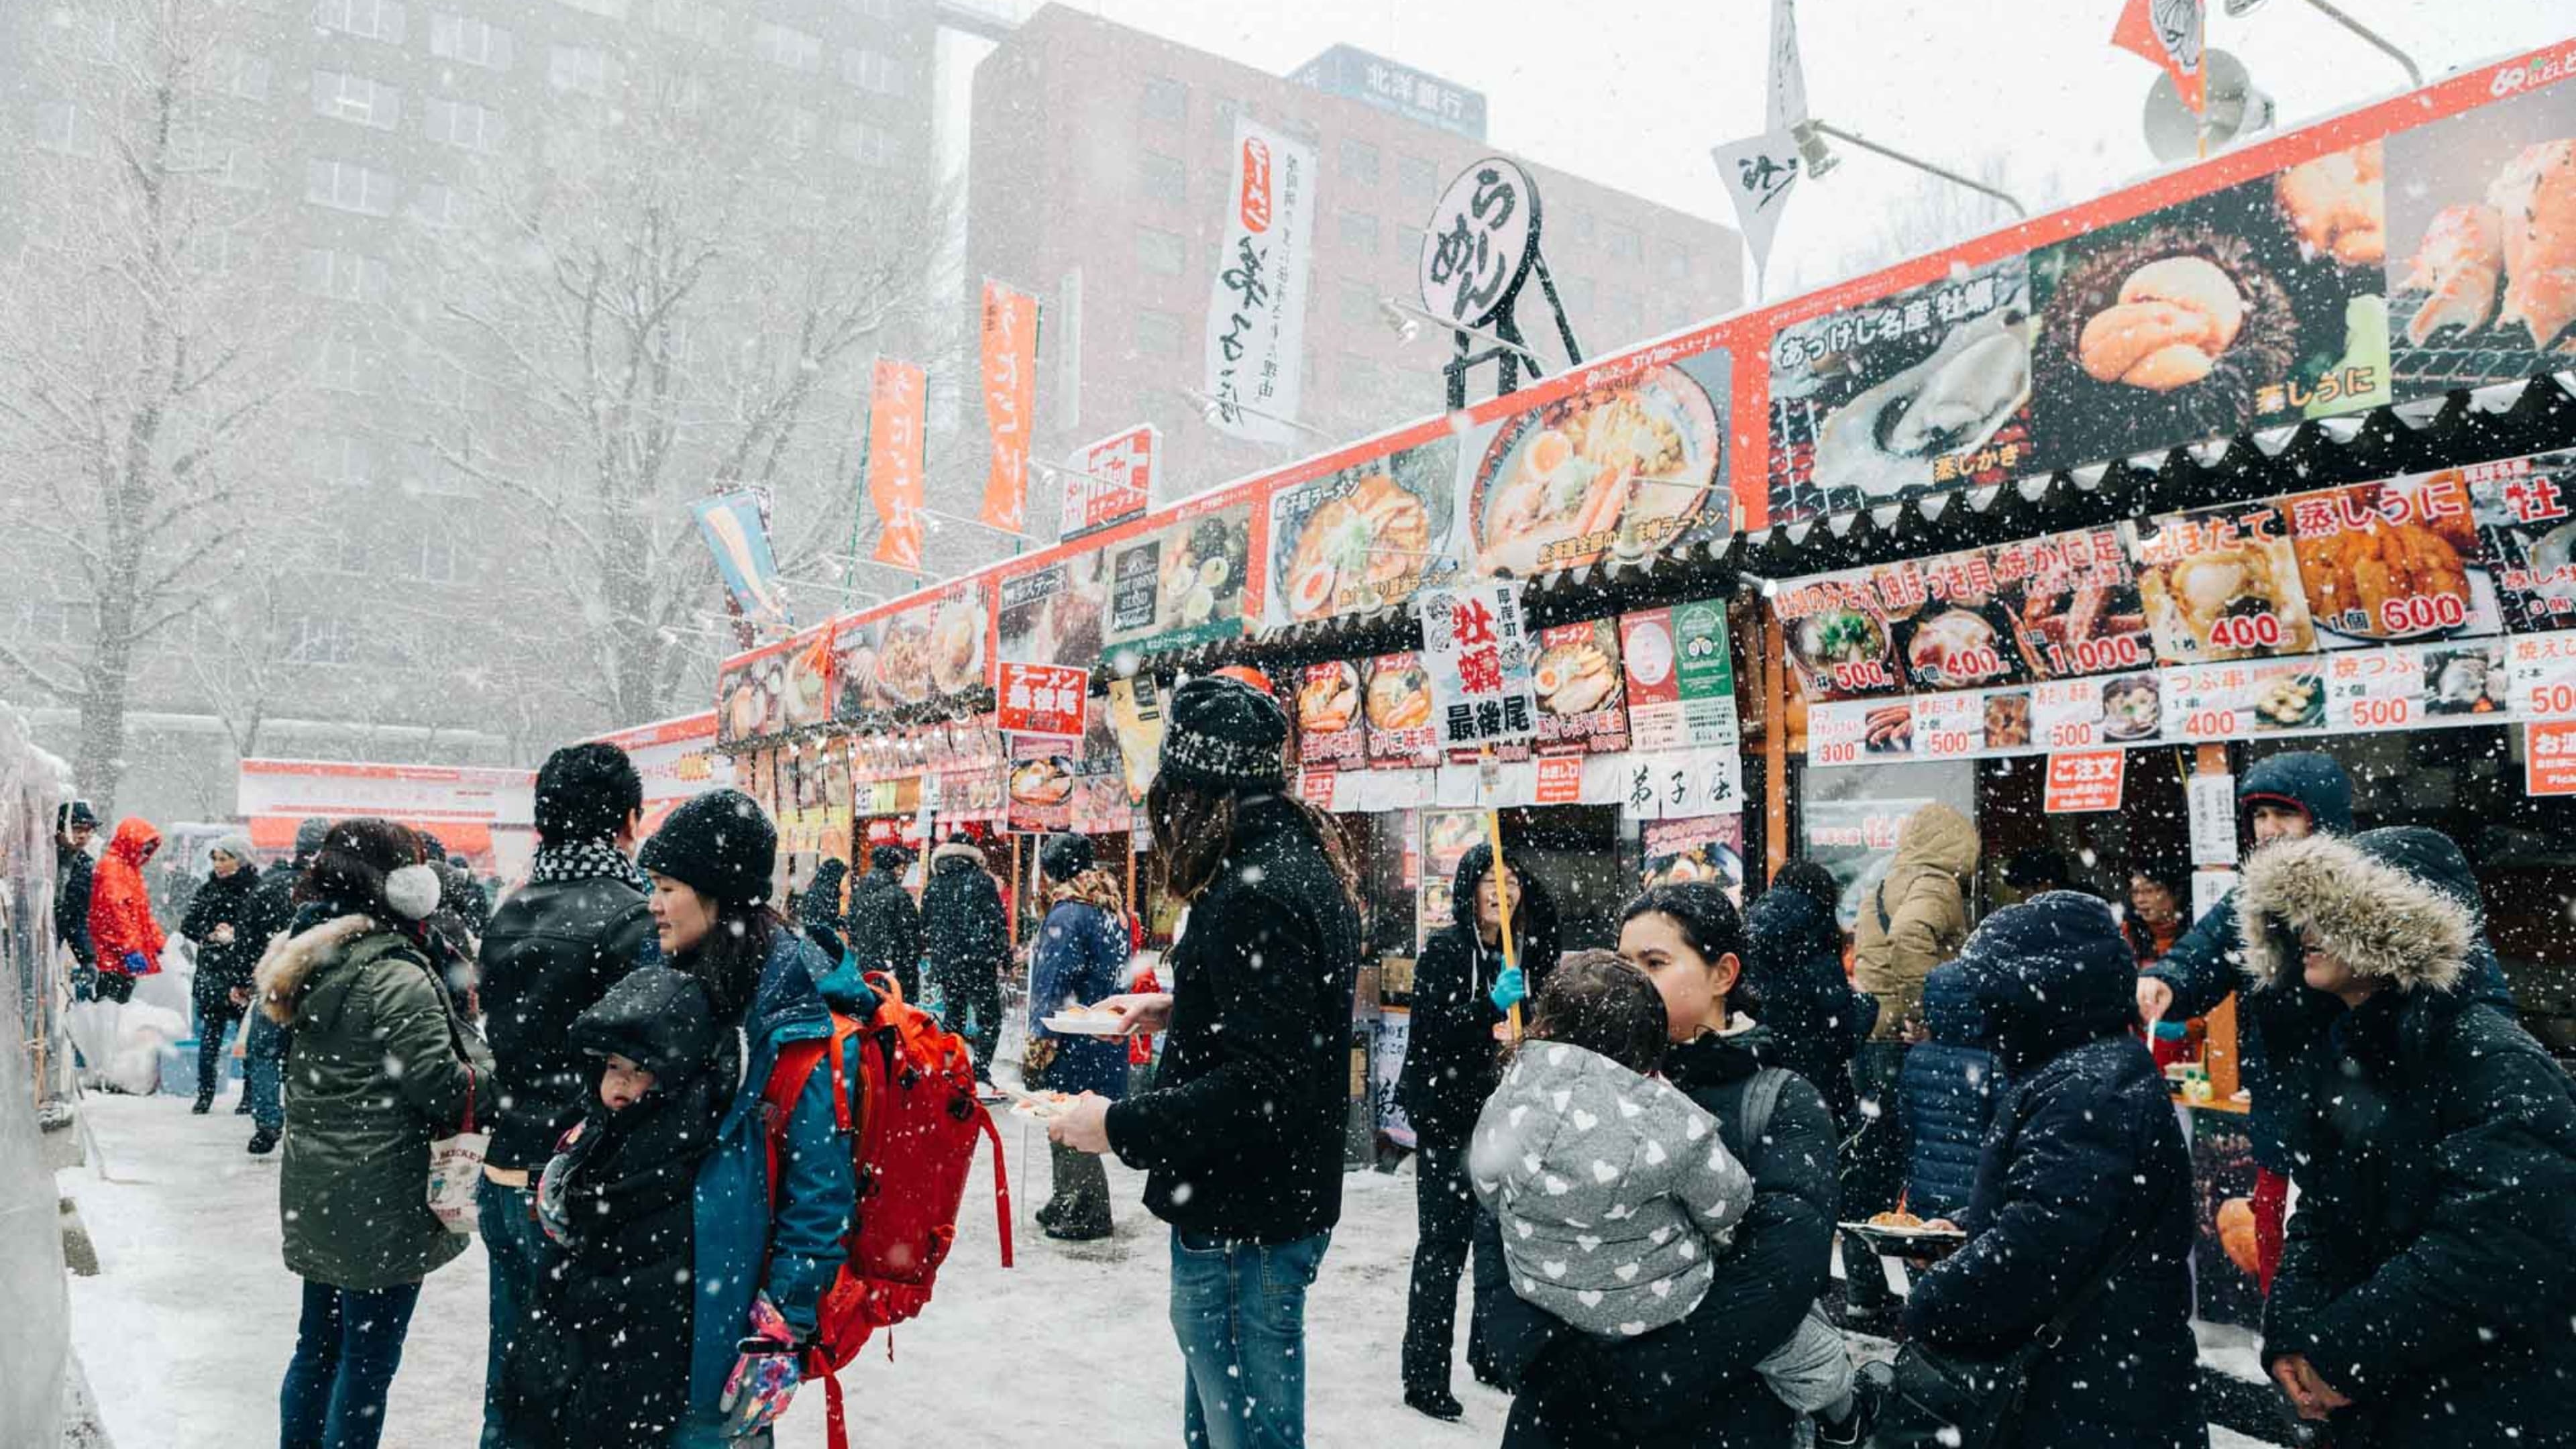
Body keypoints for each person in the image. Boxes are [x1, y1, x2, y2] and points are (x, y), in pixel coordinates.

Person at [1047, 676, 1363, 1449]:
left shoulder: (1256, 890)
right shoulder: (1288, 862)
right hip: (1267, 1207)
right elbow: (1284, 1028)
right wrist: (1174, 1008)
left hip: (1243, 1222)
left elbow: (1264, 1087)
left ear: (1192, 791)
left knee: (1247, 1436)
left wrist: (1117, 1125)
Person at [2237, 828, 2576, 1447]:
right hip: (2384, 1407)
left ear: (2393, 928)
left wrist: (2342, 1351)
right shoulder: (2353, 1050)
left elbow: (2496, 1248)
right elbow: (2322, 1209)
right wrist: (2292, 1330)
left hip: (2484, 1407)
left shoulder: (2489, 1057)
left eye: (2331, 912)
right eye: (2303, 914)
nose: (2307, 931)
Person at [1475, 881, 1843, 1449]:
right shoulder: (1555, 1087)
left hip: (1715, 1416)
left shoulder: (1778, 1100)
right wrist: (1534, 1353)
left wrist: (1648, 1377)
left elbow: (1781, 1268)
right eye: (1621, 961)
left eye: (1654, 962)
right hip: (1561, 1413)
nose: (1630, 981)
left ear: (1724, 974)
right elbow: (1498, 1214)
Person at [1897, 892, 2202, 1449]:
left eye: (1993, 995)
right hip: (2108, 1382)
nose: (1986, 1014)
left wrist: (1931, 1303)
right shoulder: (2089, 1072)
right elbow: (2066, 1210)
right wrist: (1969, 1228)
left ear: (2038, 996)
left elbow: (2038, 1246)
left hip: (2094, 1395)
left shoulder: (2085, 1089)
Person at [255, 819, 490, 1449]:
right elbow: (442, 1084)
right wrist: (493, 1075)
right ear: (406, 887)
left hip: (319, 1187)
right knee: (366, 1362)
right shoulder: (397, 973)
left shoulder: (305, 956)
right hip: (383, 1197)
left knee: (318, 1347)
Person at [635, 789, 858, 1448]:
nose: (652, 903)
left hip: (724, 1326)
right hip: (655, 1302)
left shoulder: (789, 1015)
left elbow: (821, 1194)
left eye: (667, 886)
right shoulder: (675, 975)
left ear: (718, 893)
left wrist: (778, 1329)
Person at [475, 742, 655, 1449]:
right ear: (628, 821)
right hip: (579, 1183)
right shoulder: (634, 917)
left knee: (513, 1376)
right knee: (585, 1393)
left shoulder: (512, 908)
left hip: (506, 1171)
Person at [2137, 751, 2361, 1291]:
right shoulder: (2252, 896)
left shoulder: (2365, 887)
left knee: (2347, 1283)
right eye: (2259, 817)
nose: (2270, 830)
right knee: (2283, 1282)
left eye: (2284, 815)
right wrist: (2165, 981)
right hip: (2282, 1129)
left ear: (2320, 817)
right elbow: (2205, 952)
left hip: (2359, 1127)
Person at [500, 965, 727, 1449]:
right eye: (613, 1067)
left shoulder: (664, 1151)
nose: (621, 1083)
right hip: (584, 1350)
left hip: (625, 1362)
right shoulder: (598, 1136)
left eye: (639, 1071)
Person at [1393, 839, 1561, 1420]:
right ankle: (1424, 1377)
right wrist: (1489, 1006)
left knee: (1499, 1246)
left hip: (1501, 1121)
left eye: (1512, 881)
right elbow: (1433, 1034)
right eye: (1490, 880)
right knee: (1443, 1248)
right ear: (1468, 890)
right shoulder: (1444, 951)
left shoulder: (1521, 954)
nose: (1502, 890)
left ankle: (1488, 1355)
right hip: (1446, 1118)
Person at [1843, 800, 1976, 1323]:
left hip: (1874, 1039)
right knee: (1926, 1166)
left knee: (1870, 1168)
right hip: (1904, 1045)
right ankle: (1934, 1293)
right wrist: (1934, 1011)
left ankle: (1864, 1287)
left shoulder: (1886, 881)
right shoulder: (1935, 883)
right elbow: (1910, 936)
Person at [1022, 833, 1130, 1243]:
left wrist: (1040, 1041)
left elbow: (1052, 985)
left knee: (1067, 1120)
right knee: (1075, 1118)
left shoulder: (1067, 914)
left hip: (1070, 1036)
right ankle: (1066, 1198)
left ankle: (1086, 1209)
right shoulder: (1110, 909)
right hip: (1101, 1034)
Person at [1739, 860, 1875, 1141]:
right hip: (1814, 1087)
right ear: (1825, 898)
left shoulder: (1749, 933)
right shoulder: (1817, 944)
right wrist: (1865, 1003)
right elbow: (1843, 1038)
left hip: (1758, 1087)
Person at [178, 835, 281, 1114]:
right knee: (210, 1035)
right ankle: (205, 1094)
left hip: (245, 970)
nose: (219, 865)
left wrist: (238, 936)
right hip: (212, 970)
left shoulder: (256, 890)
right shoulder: (208, 889)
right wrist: (210, 934)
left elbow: (264, 931)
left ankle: (249, 1096)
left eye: (225, 859)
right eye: (215, 859)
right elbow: (188, 924)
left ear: (241, 859)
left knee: (247, 1037)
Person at [242, 818, 327, 1152]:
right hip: (318, 986)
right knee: (307, 1054)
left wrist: (242, 978)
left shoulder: (270, 885)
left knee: (264, 1052)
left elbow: (247, 936)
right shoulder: (334, 892)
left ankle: (267, 1119)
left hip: (276, 982)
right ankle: (301, 1119)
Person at [1894, 959, 1994, 1222]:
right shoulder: (1992, 1062)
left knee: (1923, 1254)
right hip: (1973, 1192)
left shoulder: (1917, 1056)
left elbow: (1907, 1124)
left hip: (1924, 1185)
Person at [922, 835, 1008, 1081]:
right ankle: (980, 1071)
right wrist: (1003, 955)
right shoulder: (982, 881)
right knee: (989, 1020)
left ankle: (951, 1069)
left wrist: (940, 949)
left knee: (953, 1018)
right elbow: (996, 922)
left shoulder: (934, 885)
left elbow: (924, 924)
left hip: (947, 964)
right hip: (979, 964)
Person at [89, 816, 168, 1004]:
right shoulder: (112, 868)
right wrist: (131, 948)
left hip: (119, 955)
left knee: (118, 1009)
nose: (146, 853)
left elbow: (141, 913)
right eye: (144, 847)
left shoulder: (129, 869)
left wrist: (156, 941)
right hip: (111, 956)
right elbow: (115, 913)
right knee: (110, 1009)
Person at [847, 844, 925, 999]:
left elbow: (852, 929)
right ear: (893, 868)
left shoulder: (859, 893)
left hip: (867, 964)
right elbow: (910, 933)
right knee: (897, 1012)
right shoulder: (898, 895)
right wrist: (911, 956)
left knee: (872, 1009)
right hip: (896, 966)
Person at [54, 800, 99, 999]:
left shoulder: (83, 865)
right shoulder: (43, 857)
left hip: (51, 945)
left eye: (88, 831)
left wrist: (87, 959)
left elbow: (76, 918)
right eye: (77, 829)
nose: (83, 836)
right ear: (60, 829)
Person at [2123, 857, 2189, 965]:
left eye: (2149, 891)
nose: (2140, 900)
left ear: (2174, 895)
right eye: (2135, 892)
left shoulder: (2195, 931)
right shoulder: (2126, 934)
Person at [796, 855, 850, 963]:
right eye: (840, 876)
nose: (841, 880)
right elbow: (823, 922)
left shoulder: (823, 890)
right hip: (819, 947)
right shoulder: (824, 893)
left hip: (817, 945)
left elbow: (827, 920)